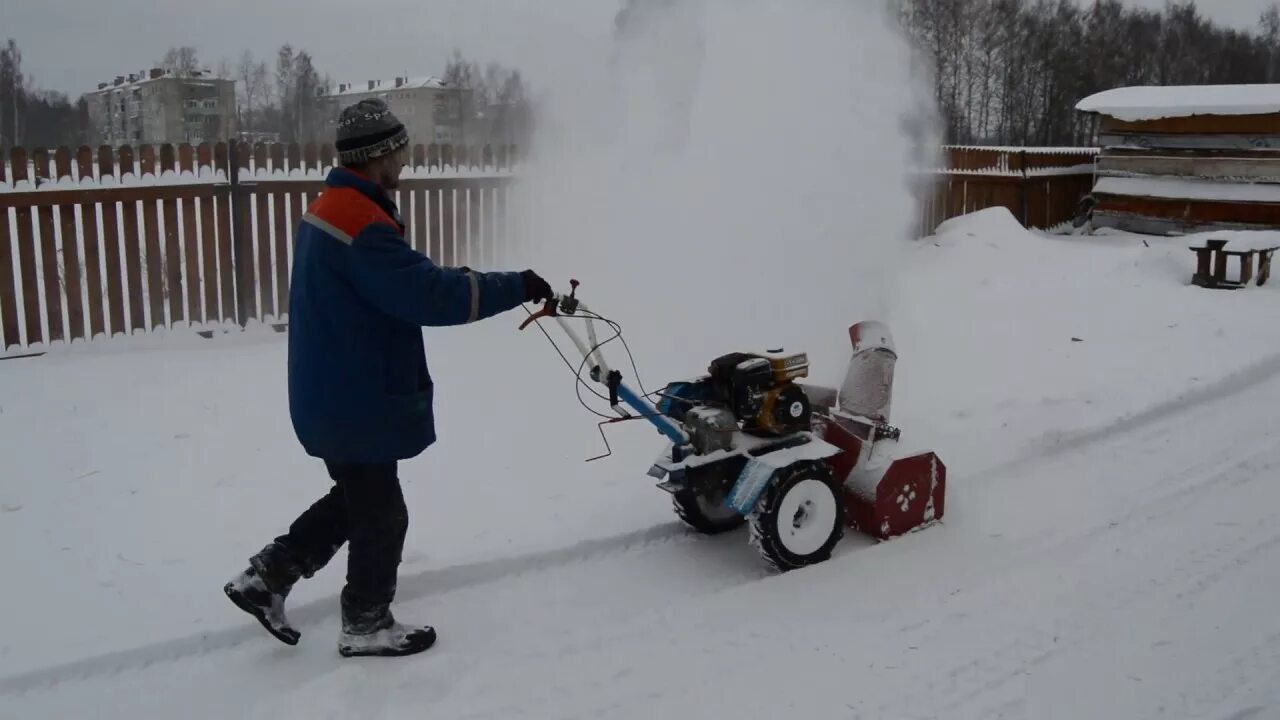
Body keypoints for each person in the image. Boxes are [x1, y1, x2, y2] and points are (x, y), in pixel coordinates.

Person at [222, 98, 553, 658]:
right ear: (379, 156)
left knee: (359, 499)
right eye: (401, 152)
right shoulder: (359, 221)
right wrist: (515, 284)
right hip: (355, 394)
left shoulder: (336, 206)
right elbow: (427, 294)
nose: (405, 162)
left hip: (334, 386)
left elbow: (399, 283)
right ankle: (366, 621)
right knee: (382, 512)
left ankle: (269, 576)